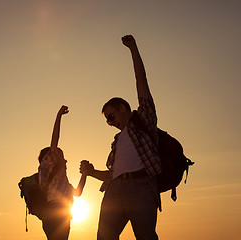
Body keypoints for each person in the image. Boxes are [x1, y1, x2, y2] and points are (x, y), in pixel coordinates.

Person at [80, 35, 161, 240]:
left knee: (145, 236)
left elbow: (141, 81)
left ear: (123, 108)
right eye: (107, 120)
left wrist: (133, 49)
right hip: (114, 190)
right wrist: (90, 172)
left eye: (111, 116)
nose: (110, 122)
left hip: (141, 187)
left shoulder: (144, 121)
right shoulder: (116, 142)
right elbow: (113, 174)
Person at [38, 105, 87, 240]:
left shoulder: (62, 181)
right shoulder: (48, 165)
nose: (65, 159)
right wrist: (59, 115)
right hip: (54, 211)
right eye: (61, 155)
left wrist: (85, 173)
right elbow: (55, 139)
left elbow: (78, 193)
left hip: (62, 214)